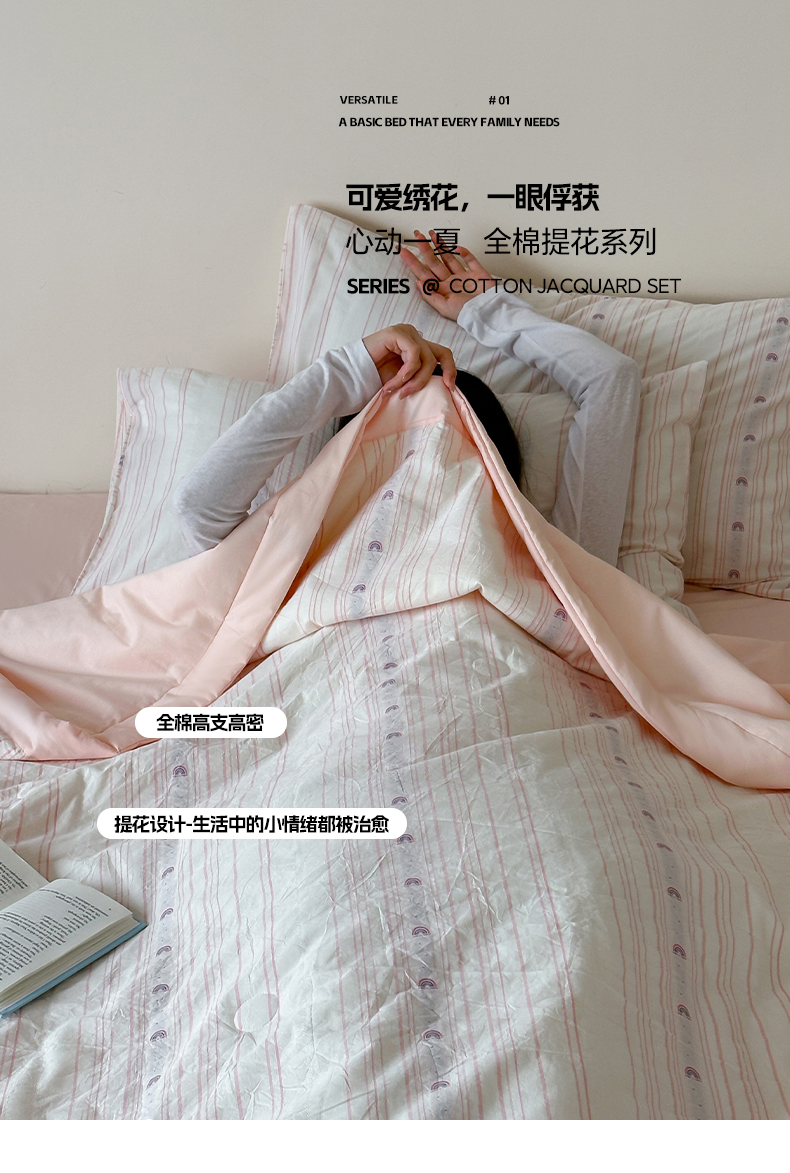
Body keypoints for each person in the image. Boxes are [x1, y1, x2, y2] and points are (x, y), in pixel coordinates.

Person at [174, 235, 641, 565]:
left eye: (450, 436)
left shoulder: (554, 567)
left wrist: (488, 311)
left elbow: (611, 380)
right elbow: (199, 508)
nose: (427, 454)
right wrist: (353, 369)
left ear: (494, 463)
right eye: (394, 439)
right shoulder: (302, 553)